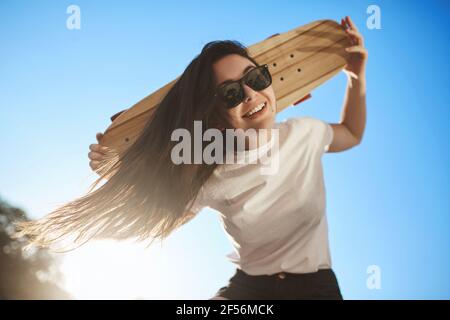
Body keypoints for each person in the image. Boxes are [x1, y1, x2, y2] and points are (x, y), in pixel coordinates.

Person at [19, 16, 367, 299]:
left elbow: (351, 133)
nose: (249, 94)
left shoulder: (304, 132)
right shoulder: (206, 170)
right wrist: (123, 174)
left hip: (314, 287)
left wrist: (356, 76)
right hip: (250, 290)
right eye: (230, 93)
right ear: (215, 113)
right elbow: (158, 214)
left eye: (256, 77)